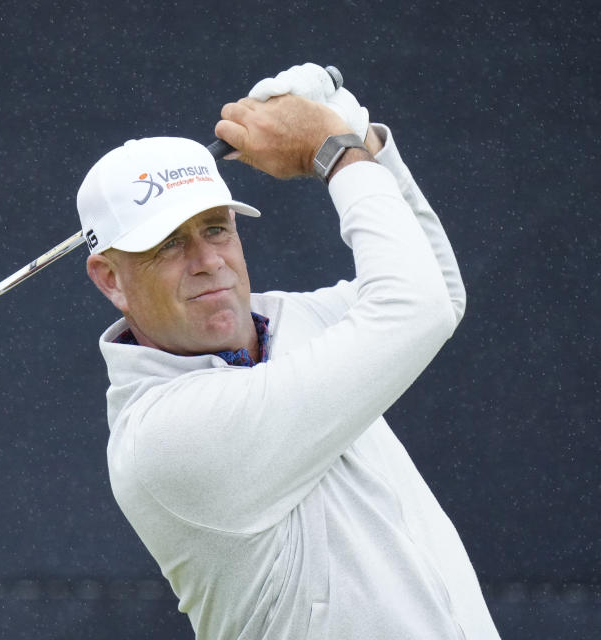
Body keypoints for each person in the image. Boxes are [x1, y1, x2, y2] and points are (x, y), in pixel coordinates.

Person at [76, 64, 500, 639]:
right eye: (169, 244)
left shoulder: (290, 321)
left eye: (217, 228)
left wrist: (358, 135)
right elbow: (413, 307)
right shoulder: (164, 437)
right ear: (110, 279)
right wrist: (334, 155)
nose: (207, 260)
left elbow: (437, 293)